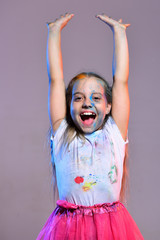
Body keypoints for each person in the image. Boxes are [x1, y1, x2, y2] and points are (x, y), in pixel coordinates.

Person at [36, 13, 144, 239]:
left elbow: (121, 80)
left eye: (96, 97)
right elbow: (55, 80)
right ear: (69, 106)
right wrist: (54, 32)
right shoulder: (63, 134)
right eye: (78, 98)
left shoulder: (114, 133)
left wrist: (119, 33)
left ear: (108, 106)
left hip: (111, 226)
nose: (87, 103)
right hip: (68, 228)